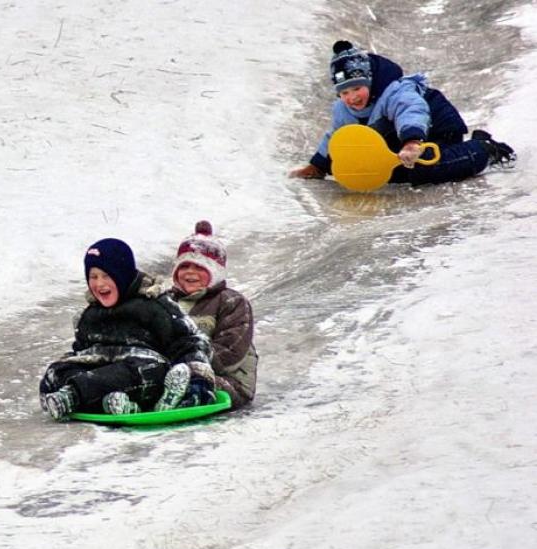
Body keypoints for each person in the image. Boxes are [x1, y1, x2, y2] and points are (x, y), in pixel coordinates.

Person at [290, 40, 515, 186]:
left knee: (424, 169)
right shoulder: (343, 108)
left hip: (435, 132)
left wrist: (412, 142)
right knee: (391, 174)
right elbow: (337, 137)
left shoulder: (395, 91)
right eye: (345, 92)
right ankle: (415, 153)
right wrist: (318, 166)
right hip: (399, 140)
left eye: (357, 88)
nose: (352, 97)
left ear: (369, 81)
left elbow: (411, 111)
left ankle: (483, 149)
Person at [39, 238, 216, 421]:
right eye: (93, 277)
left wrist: (198, 382)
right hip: (102, 379)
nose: (99, 284)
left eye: (107, 276)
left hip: (140, 376)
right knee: (55, 373)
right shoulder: (90, 314)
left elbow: (189, 342)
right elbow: (81, 351)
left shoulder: (154, 305)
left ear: (122, 274)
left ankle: (75, 396)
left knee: (150, 371)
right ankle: (119, 405)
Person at [168, 221, 258, 409]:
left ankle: (190, 397)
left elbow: (230, 352)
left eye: (200, 268)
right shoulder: (167, 301)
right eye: (185, 267)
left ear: (214, 272)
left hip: (229, 380)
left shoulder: (231, 302)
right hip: (175, 371)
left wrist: (184, 363)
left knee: (195, 378)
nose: (190, 273)